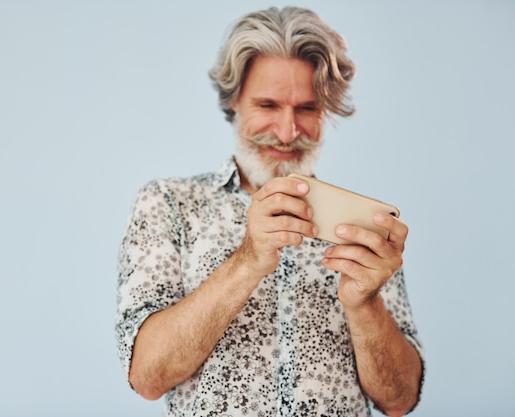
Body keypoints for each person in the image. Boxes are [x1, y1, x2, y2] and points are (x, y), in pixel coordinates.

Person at [116, 6, 424, 417]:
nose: (287, 131)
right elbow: (147, 377)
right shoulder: (169, 203)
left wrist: (365, 304)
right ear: (235, 101)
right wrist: (248, 260)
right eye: (267, 105)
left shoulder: (362, 230)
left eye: (307, 108)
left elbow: (400, 400)